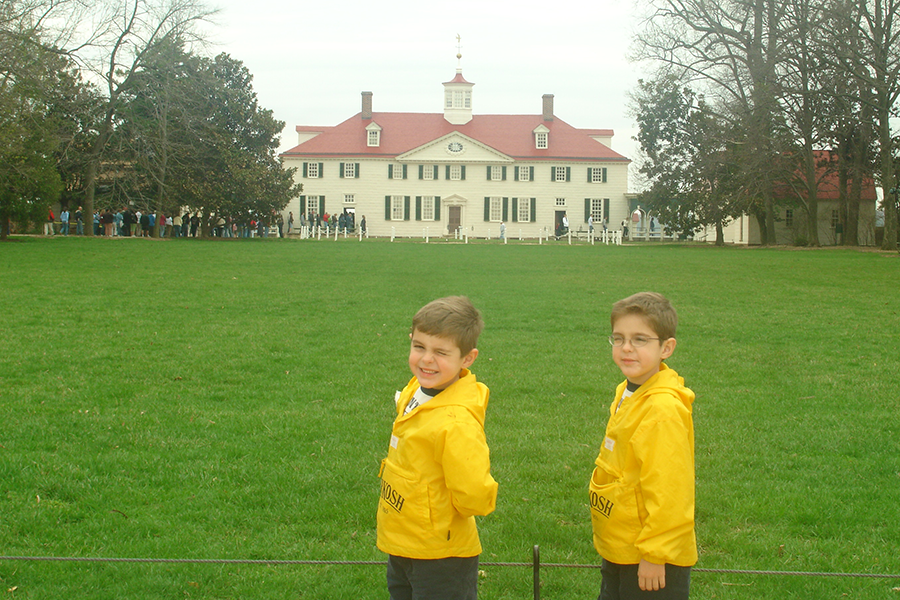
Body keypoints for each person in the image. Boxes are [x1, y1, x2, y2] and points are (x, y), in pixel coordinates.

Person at [377, 296, 498, 600]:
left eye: (441, 352)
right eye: (419, 347)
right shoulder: (417, 388)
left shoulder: (456, 422)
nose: (426, 360)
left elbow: (473, 495)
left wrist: (435, 513)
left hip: (442, 556)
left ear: (467, 358)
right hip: (404, 541)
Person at [589, 292, 696, 600]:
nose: (626, 348)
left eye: (640, 339)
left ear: (667, 348)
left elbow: (671, 490)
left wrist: (655, 554)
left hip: (651, 563)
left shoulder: (662, 411)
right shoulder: (629, 390)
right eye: (618, 338)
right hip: (623, 545)